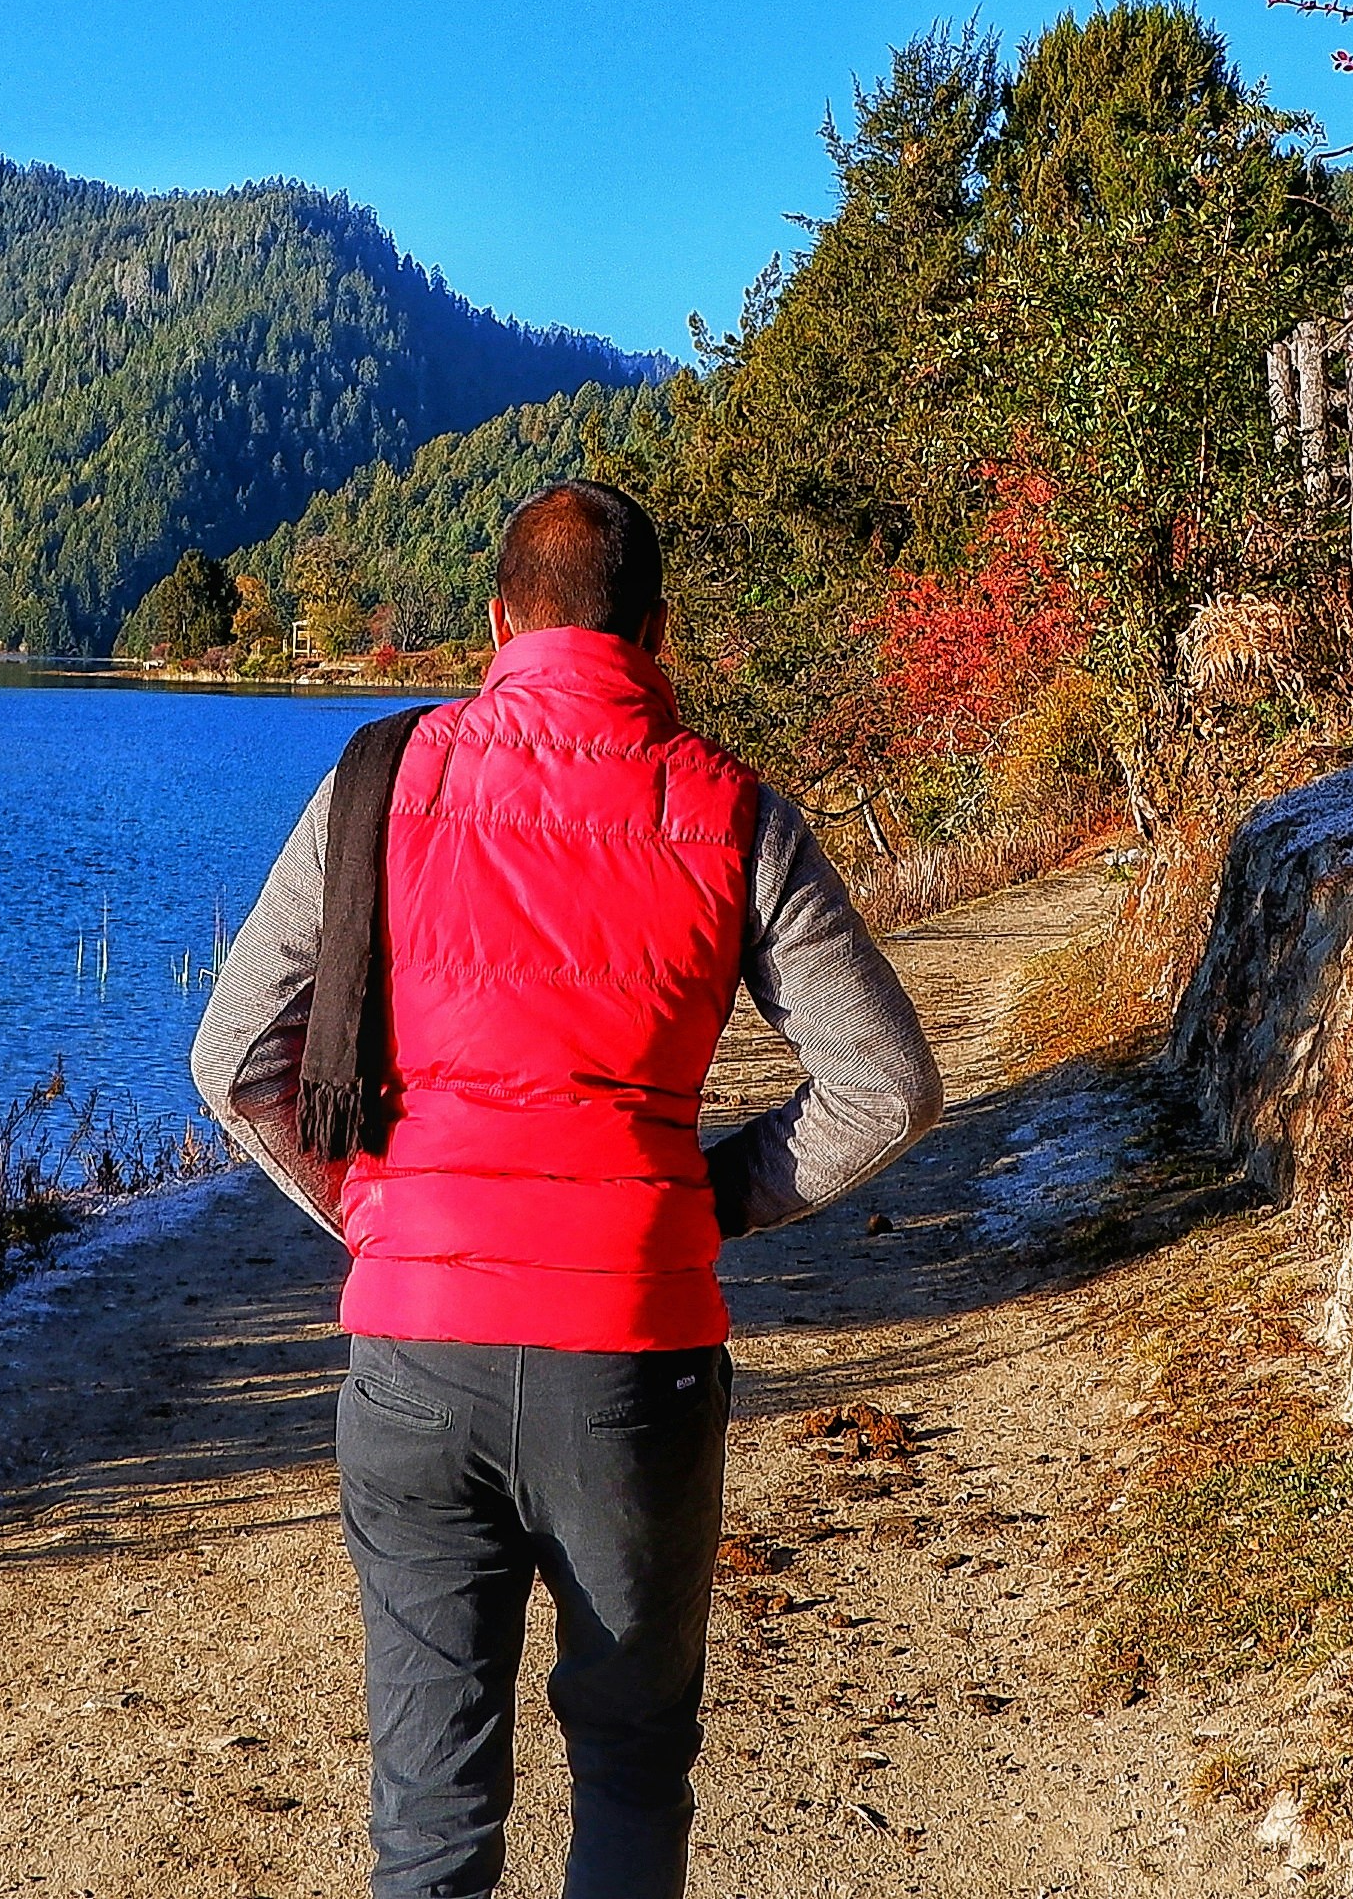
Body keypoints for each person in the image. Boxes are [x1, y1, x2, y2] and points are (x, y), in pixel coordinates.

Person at [189, 480, 940, 1899]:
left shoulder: (382, 780)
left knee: (428, 1811)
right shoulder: (736, 814)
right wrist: (701, 1200)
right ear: (660, 632)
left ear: (495, 623)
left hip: (415, 1352)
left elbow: (237, 1058)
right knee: (635, 1763)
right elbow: (886, 1088)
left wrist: (375, 1214)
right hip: (632, 1359)